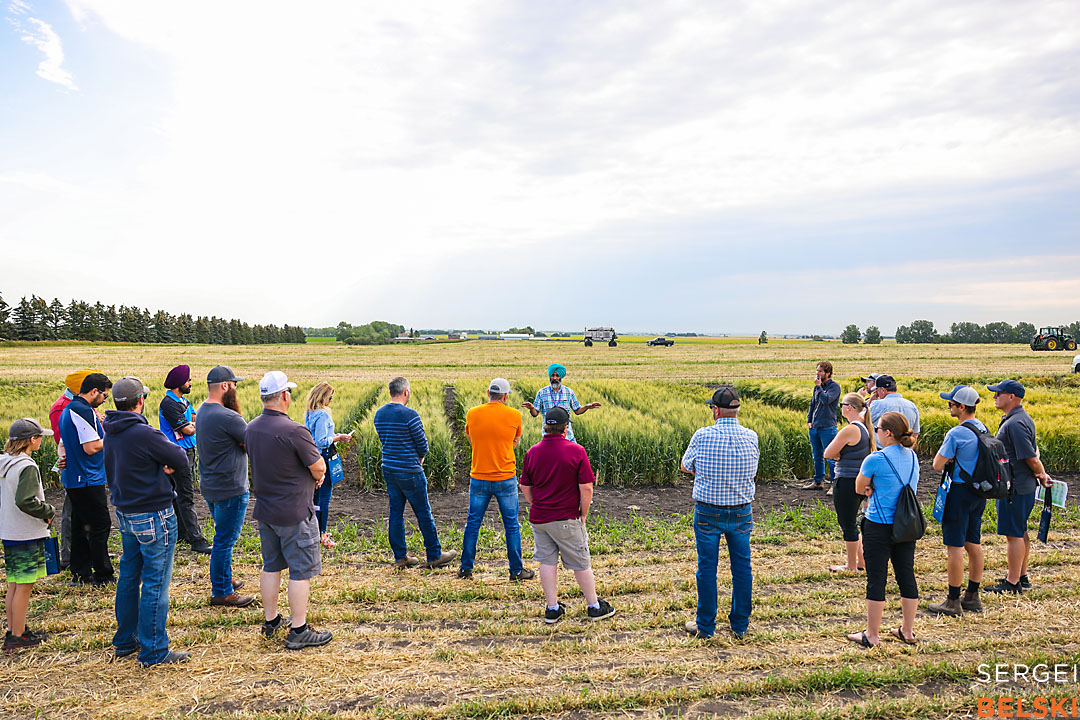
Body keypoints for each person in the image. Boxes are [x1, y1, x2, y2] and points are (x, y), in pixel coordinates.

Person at [102, 377, 192, 666]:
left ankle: (126, 640)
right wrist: (164, 467)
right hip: (154, 514)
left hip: (126, 513)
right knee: (156, 581)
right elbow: (180, 457)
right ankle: (154, 650)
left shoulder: (111, 431)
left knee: (129, 577)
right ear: (140, 401)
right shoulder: (143, 432)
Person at [246, 371, 333, 650]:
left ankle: (271, 622)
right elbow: (319, 467)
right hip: (295, 511)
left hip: (266, 510)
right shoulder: (295, 430)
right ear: (284, 395)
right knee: (300, 571)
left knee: (271, 566)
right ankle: (299, 629)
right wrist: (317, 474)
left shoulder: (252, 427)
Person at [519, 407, 614, 623]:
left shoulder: (532, 452)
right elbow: (586, 488)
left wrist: (540, 504)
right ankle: (594, 606)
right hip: (565, 519)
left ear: (546, 426)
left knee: (547, 561)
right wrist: (583, 514)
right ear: (565, 427)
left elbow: (525, 486)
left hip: (540, 519)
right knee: (580, 562)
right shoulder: (576, 451)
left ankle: (552, 609)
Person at [681, 386, 760, 639]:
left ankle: (705, 626)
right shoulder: (751, 436)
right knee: (742, 567)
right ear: (737, 410)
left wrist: (704, 474)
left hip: (708, 511)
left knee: (707, 568)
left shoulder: (702, 435)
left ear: (715, 410)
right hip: (741, 511)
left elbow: (685, 466)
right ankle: (740, 625)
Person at [846, 411, 920, 648]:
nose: (875, 432)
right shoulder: (913, 457)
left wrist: (870, 489)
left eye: (877, 428)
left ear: (887, 433)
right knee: (906, 575)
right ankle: (907, 631)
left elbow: (859, 487)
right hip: (905, 525)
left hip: (878, 524)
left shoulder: (875, 459)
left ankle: (872, 635)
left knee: (876, 579)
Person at [372, 377, 455, 569]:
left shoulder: (379, 413)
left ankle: (400, 557)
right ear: (405, 392)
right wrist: (420, 456)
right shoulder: (410, 415)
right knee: (423, 513)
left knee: (395, 513)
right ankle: (434, 555)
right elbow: (422, 444)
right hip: (409, 470)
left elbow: (384, 439)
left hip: (389, 469)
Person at [984, 380, 1054, 594]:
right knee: (1020, 531)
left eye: (998, 393)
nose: (995, 397)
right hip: (1021, 485)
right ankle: (1020, 576)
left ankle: (1012, 582)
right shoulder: (1019, 419)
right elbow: (1034, 451)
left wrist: (1041, 473)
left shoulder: (1014, 423)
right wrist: (1038, 472)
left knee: (1014, 535)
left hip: (1015, 487)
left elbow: (1031, 457)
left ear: (1011, 397)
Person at [459, 378, 532, 581]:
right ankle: (516, 571)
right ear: (506, 396)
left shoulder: (472, 413)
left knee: (473, 523)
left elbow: (470, 438)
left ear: (488, 392)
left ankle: (466, 569)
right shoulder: (515, 415)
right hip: (505, 477)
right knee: (511, 525)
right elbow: (514, 442)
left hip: (479, 477)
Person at [195, 366, 254, 608]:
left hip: (210, 484)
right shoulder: (229, 417)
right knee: (224, 541)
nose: (237, 388)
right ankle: (221, 591)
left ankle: (225, 579)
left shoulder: (202, 411)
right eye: (234, 384)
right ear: (224, 386)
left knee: (222, 536)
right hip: (231, 487)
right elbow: (252, 443)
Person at [928, 385, 986, 616]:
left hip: (959, 491)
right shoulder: (983, 428)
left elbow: (937, 464)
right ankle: (972, 595)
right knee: (973, 542)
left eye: (951, 404)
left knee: (954, 546)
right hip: (978, 491)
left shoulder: (956, 433)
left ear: (961, 407)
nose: (949, 407)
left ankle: (952, 601)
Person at [0, 418, 56, 652]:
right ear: (31, 440)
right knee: (24, 585)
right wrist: (49, 511)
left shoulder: (4, 462)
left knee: (14, 583)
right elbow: (25, 501)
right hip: (25, 533)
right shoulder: (27, 466)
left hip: (9, 531)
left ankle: (14, 628)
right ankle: (18, 636)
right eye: (39, 437)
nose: (41, 440)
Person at [57, 372, 115, 586]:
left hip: (75, 477)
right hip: (88, 478)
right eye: (104, 396)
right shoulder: (83, 410)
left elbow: (64, 444)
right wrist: (112, 436)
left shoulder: (69, 409)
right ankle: (103, 574)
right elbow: (91, 447)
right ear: (94, 392)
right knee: (100, 525)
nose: (104, 400)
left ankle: (80, 572)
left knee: (82, 527)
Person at [49, 368, 100, 571]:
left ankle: (86, 551)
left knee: (82, 514)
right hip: (78, 469)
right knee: (73, 513)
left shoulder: (81, 404)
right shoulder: (63, 407)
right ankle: (69, 556)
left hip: (86, 468)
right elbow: (64, 440)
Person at [159, 365, 211, 554]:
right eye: (188, 380)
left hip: (186, 451)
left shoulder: (183, 401)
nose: (190, 383)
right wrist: (196, 424)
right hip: (177, 453)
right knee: (186, 495)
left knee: (177, 494)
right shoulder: (169, 404)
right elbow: (188, 428)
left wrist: (194, 423)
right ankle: (196, 540)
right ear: (179, 383)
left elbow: (196, 418)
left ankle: (182, 533)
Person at [823, 393, 874, 572]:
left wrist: (837, 454)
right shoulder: (865, 428)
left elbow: (827, 453)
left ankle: (851, 565)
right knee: (852, 522)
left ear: (849, 407)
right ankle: (862, 562)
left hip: (846, 481)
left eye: (843, 404)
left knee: (848, 524)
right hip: (859, 481)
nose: (841, 407)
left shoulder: (850, 429)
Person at [304, 382, 352, 549]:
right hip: (324, 457)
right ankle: (322, 534)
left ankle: (314, 532)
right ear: (323, 397)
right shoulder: (323, 416)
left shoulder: (310, 413)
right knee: (324, 497)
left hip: (313, 456)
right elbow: (322, 441)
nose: (331, 401)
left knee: (315, 497)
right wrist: (339, 437)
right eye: (330, 398)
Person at [521, 364, 601, 444]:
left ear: (561, 377)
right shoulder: (542, 392)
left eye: (557, 375)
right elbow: (535, 413)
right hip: (549, 436)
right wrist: (531, 408)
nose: (555, 378)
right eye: (552, 375)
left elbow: (577, 410)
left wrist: (587, 407)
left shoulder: (568, 392)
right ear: (549, 376)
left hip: (568, 436)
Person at [804, 361, 841, 492]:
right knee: (817, 455)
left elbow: (826, 400)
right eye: (817, 371)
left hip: (827, 427)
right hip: (814, 427)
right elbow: (812, 404)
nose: (817, 374)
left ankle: (833, 485)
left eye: (820, 371)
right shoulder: (817, 388)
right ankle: (818, 481)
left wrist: (819, 387)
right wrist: (809, 420)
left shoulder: (834, 387)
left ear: (828, 373)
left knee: (831, 457)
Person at [869, 375, 921, 445]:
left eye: (877, 390)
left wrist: (870, 401)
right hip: (904, 450)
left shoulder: (879, 404)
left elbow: (861, 420)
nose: (876, 393)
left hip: (881, 450)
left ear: (883, 390)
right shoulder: (912, 405)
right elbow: (915, 433)